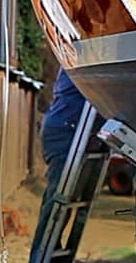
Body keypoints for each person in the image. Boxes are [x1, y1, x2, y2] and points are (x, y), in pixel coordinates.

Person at [29, 68, 91, 260]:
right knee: (58, 201)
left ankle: (53, 253)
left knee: (64, 200)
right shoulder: (78, 61)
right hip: (64, 132)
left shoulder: (81, 56)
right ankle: (40, 257)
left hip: (68, 130)